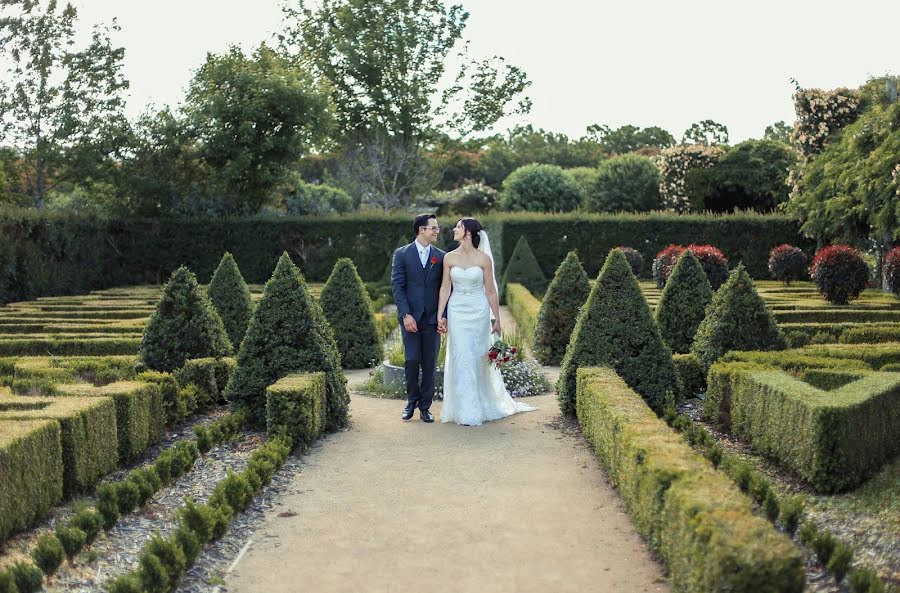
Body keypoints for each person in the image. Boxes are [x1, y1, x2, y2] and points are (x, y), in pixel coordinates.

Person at [437, 218, 536, 426]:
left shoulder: (484, 259)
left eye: (458, 227)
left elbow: (490, 290)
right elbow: (445, 288)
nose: (454, 229)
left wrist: (497, 319)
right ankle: (464, 409)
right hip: (457, 310)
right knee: (461, 355)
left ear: (468, 233)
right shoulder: (448, 258)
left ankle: (479, 406)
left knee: (477, 357)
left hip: (478, 311)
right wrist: (440, 315)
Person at [391, 214, 445, 422]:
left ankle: (425, 407)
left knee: (430, 363)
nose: (437, 231)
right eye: (433, 228)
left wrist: (443, 316)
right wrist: (406, 314)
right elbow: (397, 286)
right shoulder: (402, 254)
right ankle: (411, 401)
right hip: (410, 319)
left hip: (432, 319)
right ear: (421, 230)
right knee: (411, 360)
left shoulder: (441, 256)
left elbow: (445, 288)